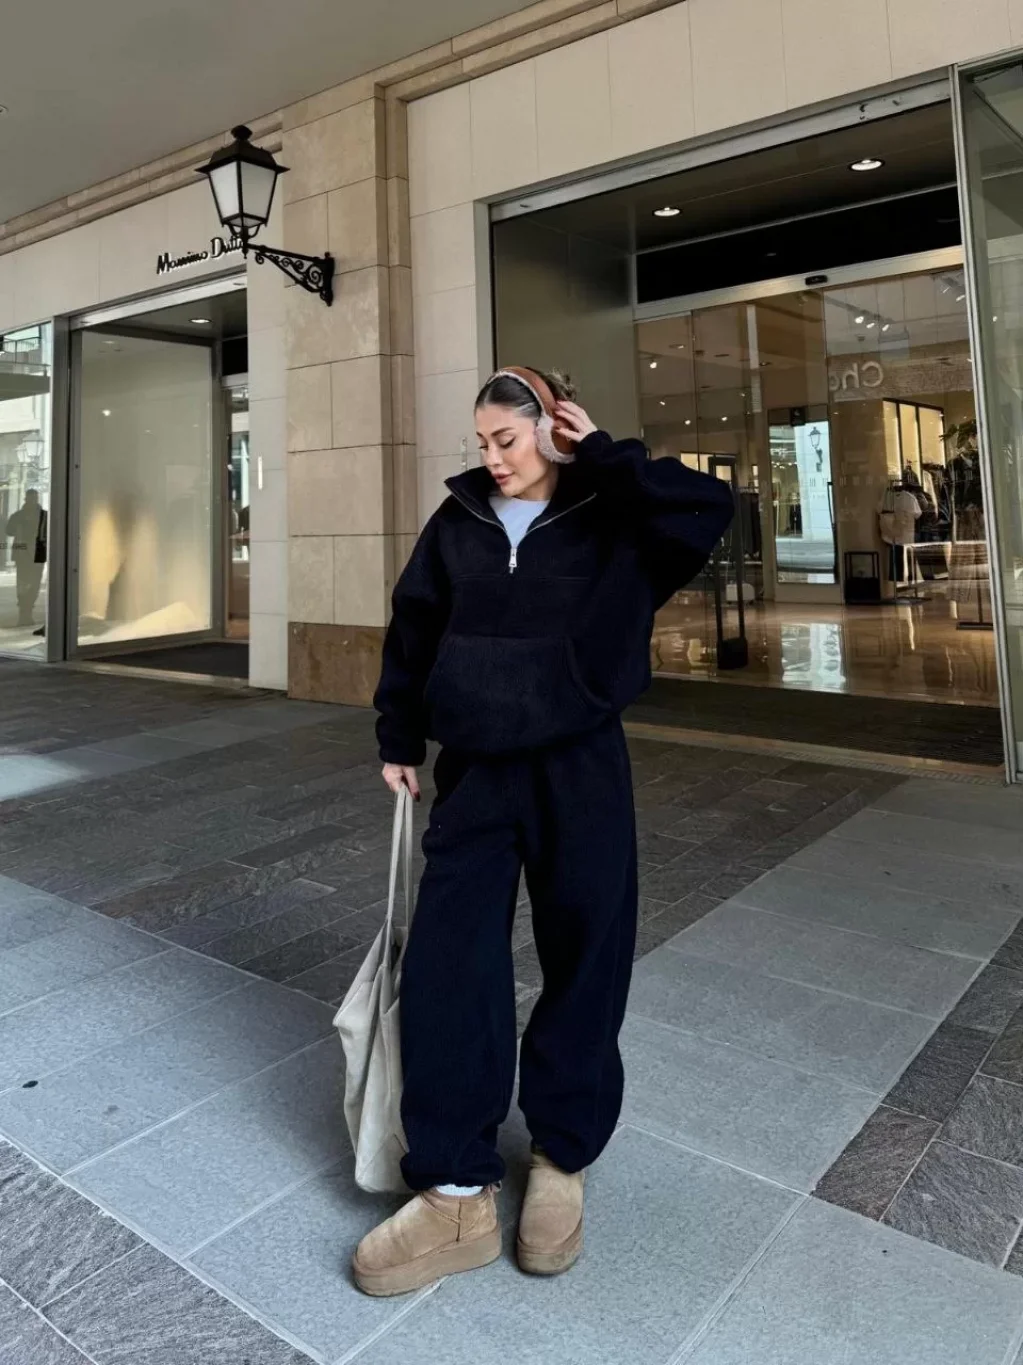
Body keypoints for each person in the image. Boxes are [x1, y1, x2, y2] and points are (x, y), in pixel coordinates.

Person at [353, 366, 734, 1297]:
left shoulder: (614, 516)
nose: (491, 458)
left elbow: (708, 508)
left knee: (586, 955)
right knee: (449, 963)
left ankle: (561, 1157)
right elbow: (413, 626)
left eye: (508, 439)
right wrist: (399, 733)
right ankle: (456, 1188)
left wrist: (600, 453)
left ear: (553, 428)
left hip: (581, 766)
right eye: (482, 441)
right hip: (476, 769)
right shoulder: (458, 522)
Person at [5, 489, 46, 628]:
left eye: (34, 499)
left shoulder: (44, 516)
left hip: (36, 553)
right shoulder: (19, 516)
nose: (32, 501)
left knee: (33, 583)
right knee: (24, 583)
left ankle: (27, 609)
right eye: (30, 499)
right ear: (26, 499)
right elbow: (9, 531)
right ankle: (24, 611)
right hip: (23, 554)